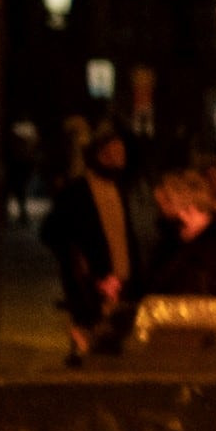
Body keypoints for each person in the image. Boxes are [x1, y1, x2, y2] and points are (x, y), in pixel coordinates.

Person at [103, 160, 216, 352]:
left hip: (202, 351)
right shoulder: (171, 242)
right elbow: (152, 289)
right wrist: (121, 290)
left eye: (162, 207)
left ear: (186, 208)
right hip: (165, 346)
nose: (158, 214)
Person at [42, 128, 134, 362]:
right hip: (91, 279)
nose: (119, 157)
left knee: (113, 337)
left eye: (121, 152)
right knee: (88, 331)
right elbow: (51, 231)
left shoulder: (119, 188)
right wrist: (76, 258)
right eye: (112, 152)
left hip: (120, 276)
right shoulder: (78, 190)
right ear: (99, 155)